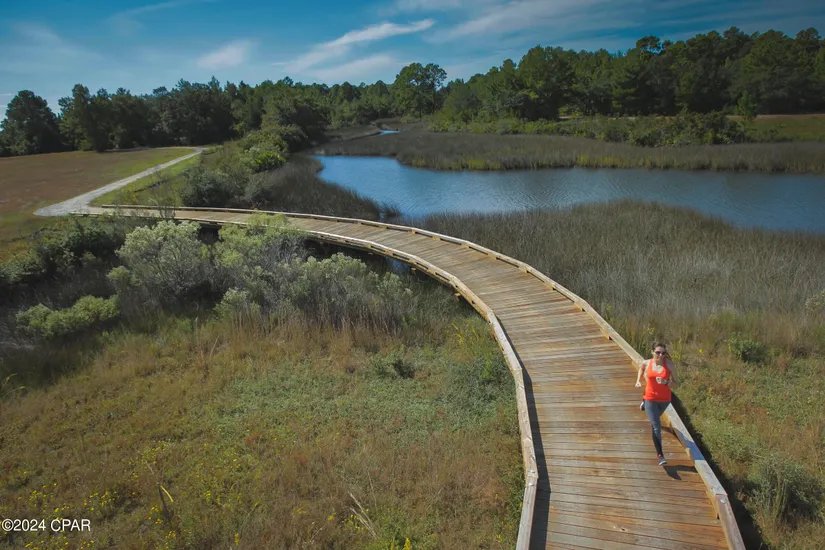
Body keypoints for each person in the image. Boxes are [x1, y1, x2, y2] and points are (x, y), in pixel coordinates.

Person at [635, 342, 679, 466]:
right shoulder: (646, 363)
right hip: (650, 398)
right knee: (656, 426)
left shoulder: (669, 365)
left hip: (664, 400)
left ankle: (644, 405)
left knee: (655, 420)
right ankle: (660, 456)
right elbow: (641, 369)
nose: (661, 355)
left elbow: (676, 384)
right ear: (652, 352)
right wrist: (638, 380)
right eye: (658, 353)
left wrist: (666, 382)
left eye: (663, 353)